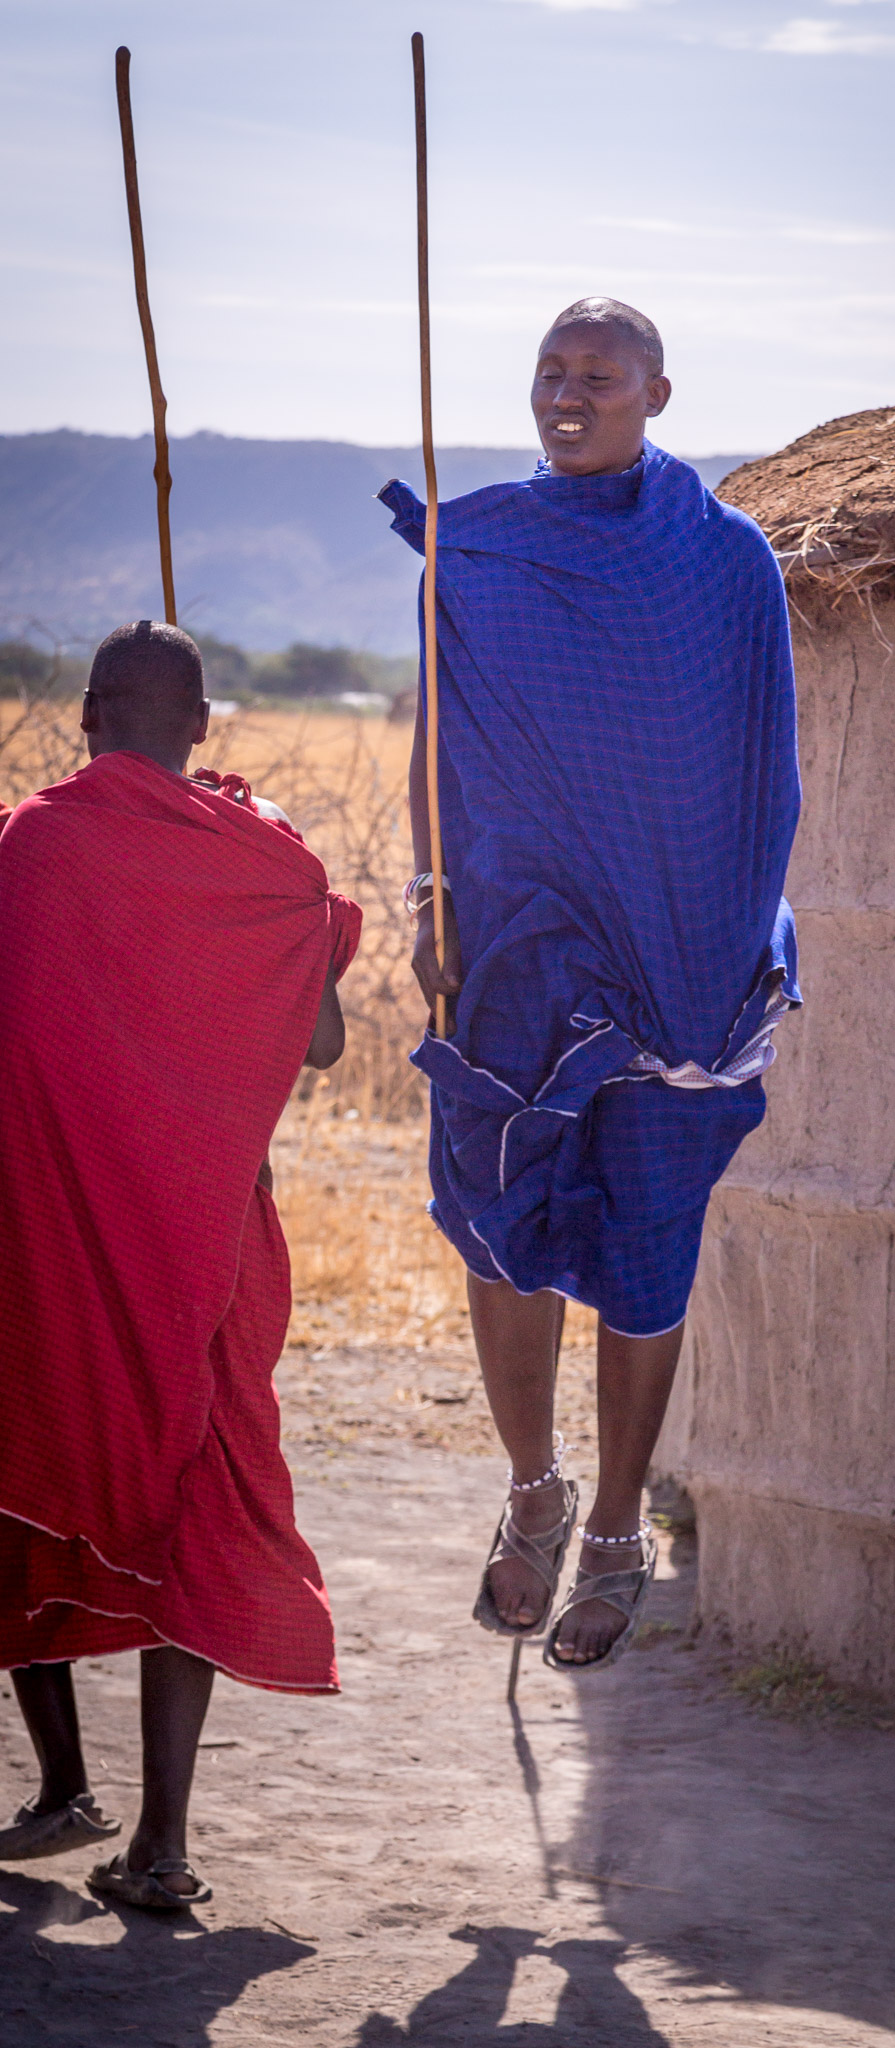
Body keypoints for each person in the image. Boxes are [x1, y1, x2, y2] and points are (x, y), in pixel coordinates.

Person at [380, 298, 800, 1671]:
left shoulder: (724, 561)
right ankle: (531, 1488)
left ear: (655, 396)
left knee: (646, 1240)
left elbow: (756, 764)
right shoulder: (479, 552)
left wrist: (732, 929)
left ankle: (616, 1523)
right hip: (516, 941)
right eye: (549, 373)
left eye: (596, 377)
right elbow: (438, 732)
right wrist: (430, 893)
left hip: (685, 951)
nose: (567, 394)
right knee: (500, 1218)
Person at [0, 621, 361, 1909]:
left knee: (19, 1473)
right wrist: (250, 879)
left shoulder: (32, 846)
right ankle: (162, 1844)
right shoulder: (267, 862)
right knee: (193, 1504)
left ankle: (56, 1785)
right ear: (202, 723)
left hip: (48, 1241)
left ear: (88, 713)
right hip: (208, 1245)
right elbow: (319, 1046)